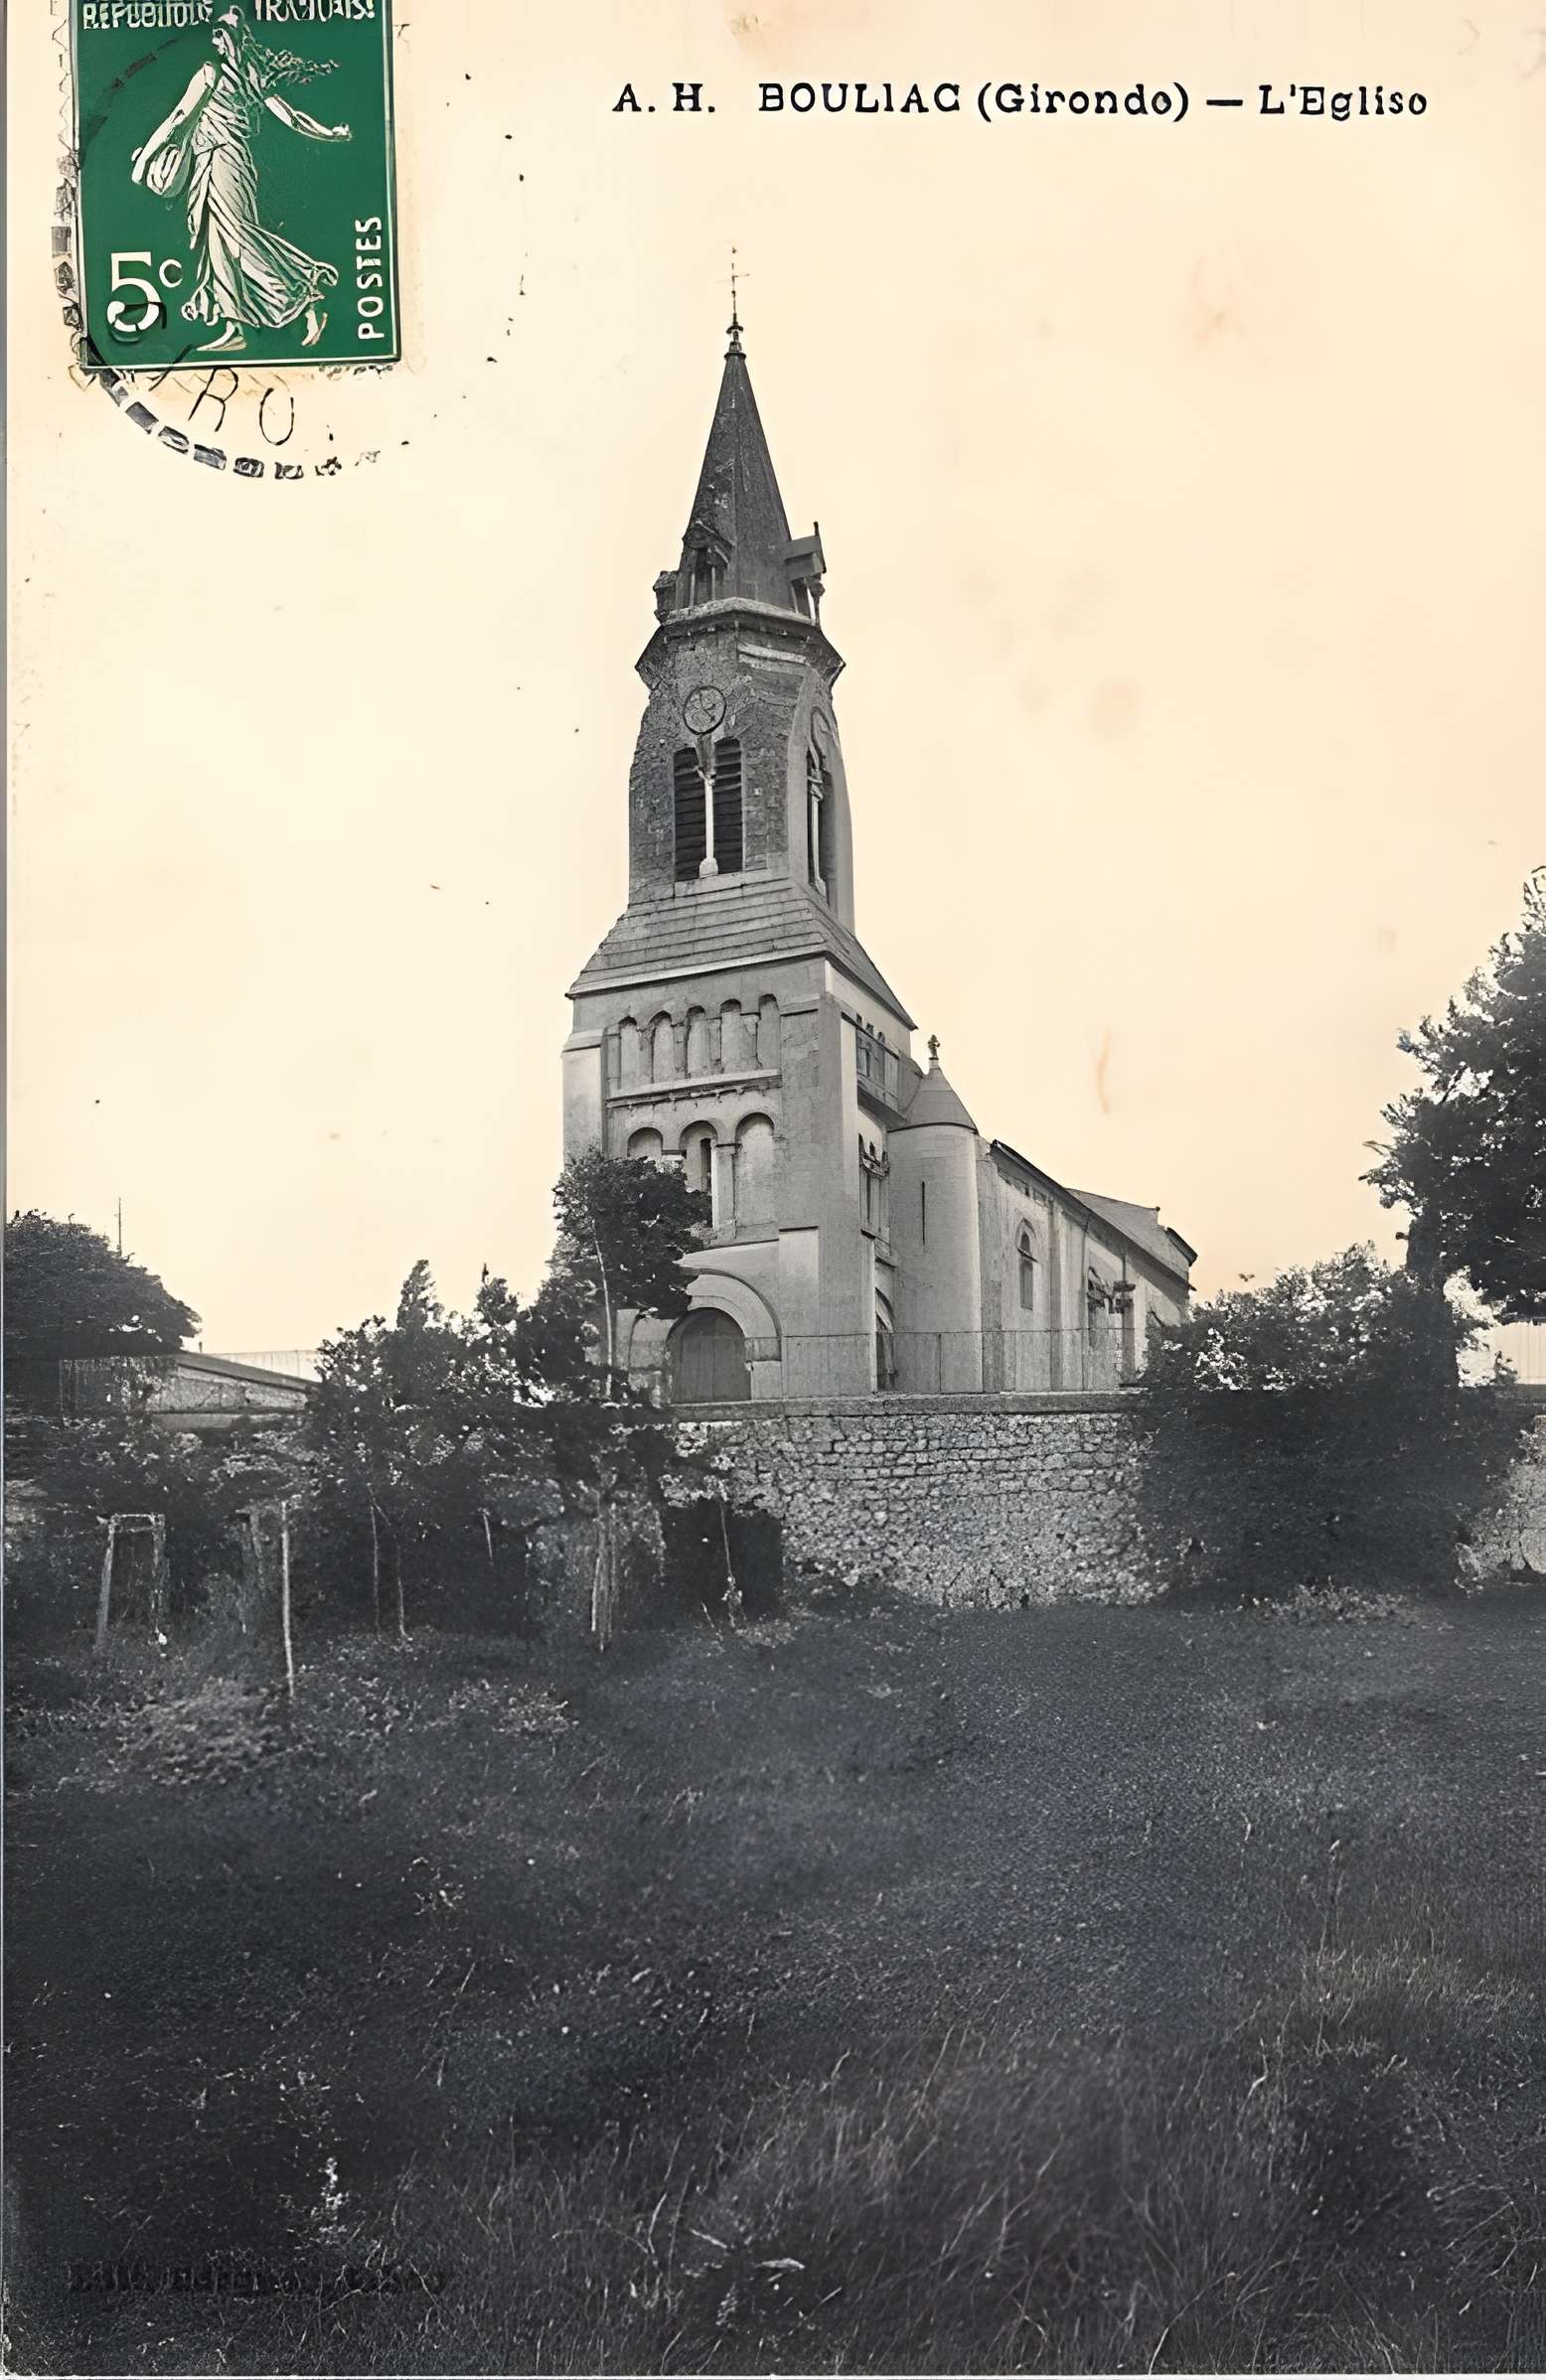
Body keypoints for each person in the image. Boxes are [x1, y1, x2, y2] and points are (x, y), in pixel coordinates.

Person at [130, 6, 351, 355]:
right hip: (211, 161)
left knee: (237, 235)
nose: (217, 39)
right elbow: (180, 118)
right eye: (216, 33)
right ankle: (235, 326)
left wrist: (145, 159)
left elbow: (180, 119)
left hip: (225, 160)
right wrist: (330, 134)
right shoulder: (238, 75)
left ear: (237, 38)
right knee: (217, 241)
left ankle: (305, 293)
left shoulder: (228, 75)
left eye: (223, 32)